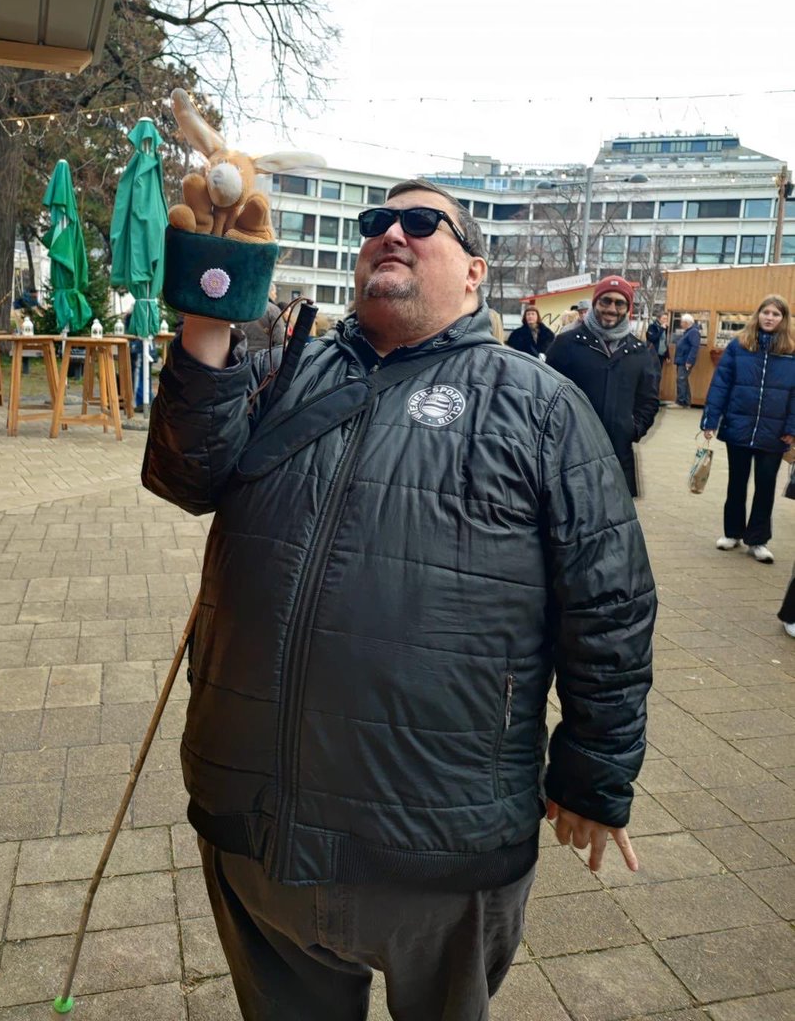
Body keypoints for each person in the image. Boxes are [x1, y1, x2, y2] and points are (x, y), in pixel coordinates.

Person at [142, 178, 655, 1021]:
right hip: (257, 822)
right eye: (376, 222)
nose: (393, 234)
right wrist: (213, 298)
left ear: (475, 271)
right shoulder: (281, 370)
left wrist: (595, 776)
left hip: (443, 846)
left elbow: (611, 606)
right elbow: (182, 476)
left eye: (424, 223)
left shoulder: (542, 406)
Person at [546, 275, 660, 497]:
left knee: (614, 525)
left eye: (619, 303)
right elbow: (545, 393)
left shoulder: (639, 351)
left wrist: (633, 429)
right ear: (595, 302)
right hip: (571, 453)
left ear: (627, 308)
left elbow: (649, 400)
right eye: (605, 301)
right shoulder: (566, 344)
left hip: (617, 454)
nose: (611, 308)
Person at [701, 295, 795, 564]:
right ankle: (732, 533)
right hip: (738, 427)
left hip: (774, 432)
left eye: (776, 314)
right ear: (758, 315)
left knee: (765, 486)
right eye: (766, 312)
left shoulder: (791, 351)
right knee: (737, 484)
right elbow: (721, 385)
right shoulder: (738, 346)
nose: (770, 318)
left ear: (783, 319)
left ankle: (758, 540)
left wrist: (792, 427)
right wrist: (710, 420)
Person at [673, 313, 701, 407]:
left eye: (682, 322)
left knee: (681, 380)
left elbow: (694, 347)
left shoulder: (693, 332)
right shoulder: (689, 331)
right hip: (682, 360)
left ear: (686, 323)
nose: (680, 324)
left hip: (685, 361)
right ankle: (686, 401)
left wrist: (689, 361)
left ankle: (680, 402)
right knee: (683, 380)